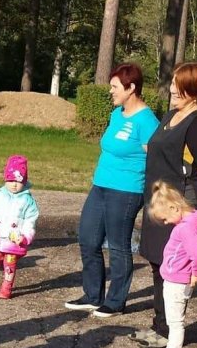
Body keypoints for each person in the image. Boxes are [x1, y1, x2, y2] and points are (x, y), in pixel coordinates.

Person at [65, 64, 160, 317]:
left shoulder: (147, 121)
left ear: (131, 88)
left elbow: (156, 159)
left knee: (118, 246)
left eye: (115, 87)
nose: (111, 91)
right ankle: (92, 295)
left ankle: (116, 301)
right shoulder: (117, 114)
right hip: (101, 185)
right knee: (88, 239)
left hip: (127, 190)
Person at [136, 62, 197, 348]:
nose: (171, 88)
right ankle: (160, 324)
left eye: (177, 84)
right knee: (158, 261)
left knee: (173, 266)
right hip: (161, 201)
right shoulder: (172, 114)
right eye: (172, 83)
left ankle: (167, 331)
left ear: (192, 89)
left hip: (183, 203)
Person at [143, 181, 197, 348]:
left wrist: (196, 273)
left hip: (177, 280)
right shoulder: (192, 221)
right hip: (176, 277)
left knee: (175, 322)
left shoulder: (185, 228)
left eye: (165, 218)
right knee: (174, 320)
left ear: (174, 208)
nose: (166, 223)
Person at [0, 155, 39, 299]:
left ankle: (6, 287)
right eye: (10, 180)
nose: (14, 185)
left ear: (24, 181)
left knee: (9, 265)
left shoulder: (27, 200)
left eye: (18, 181)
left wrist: (25, 236)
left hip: (13, 240)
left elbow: (30, 220)